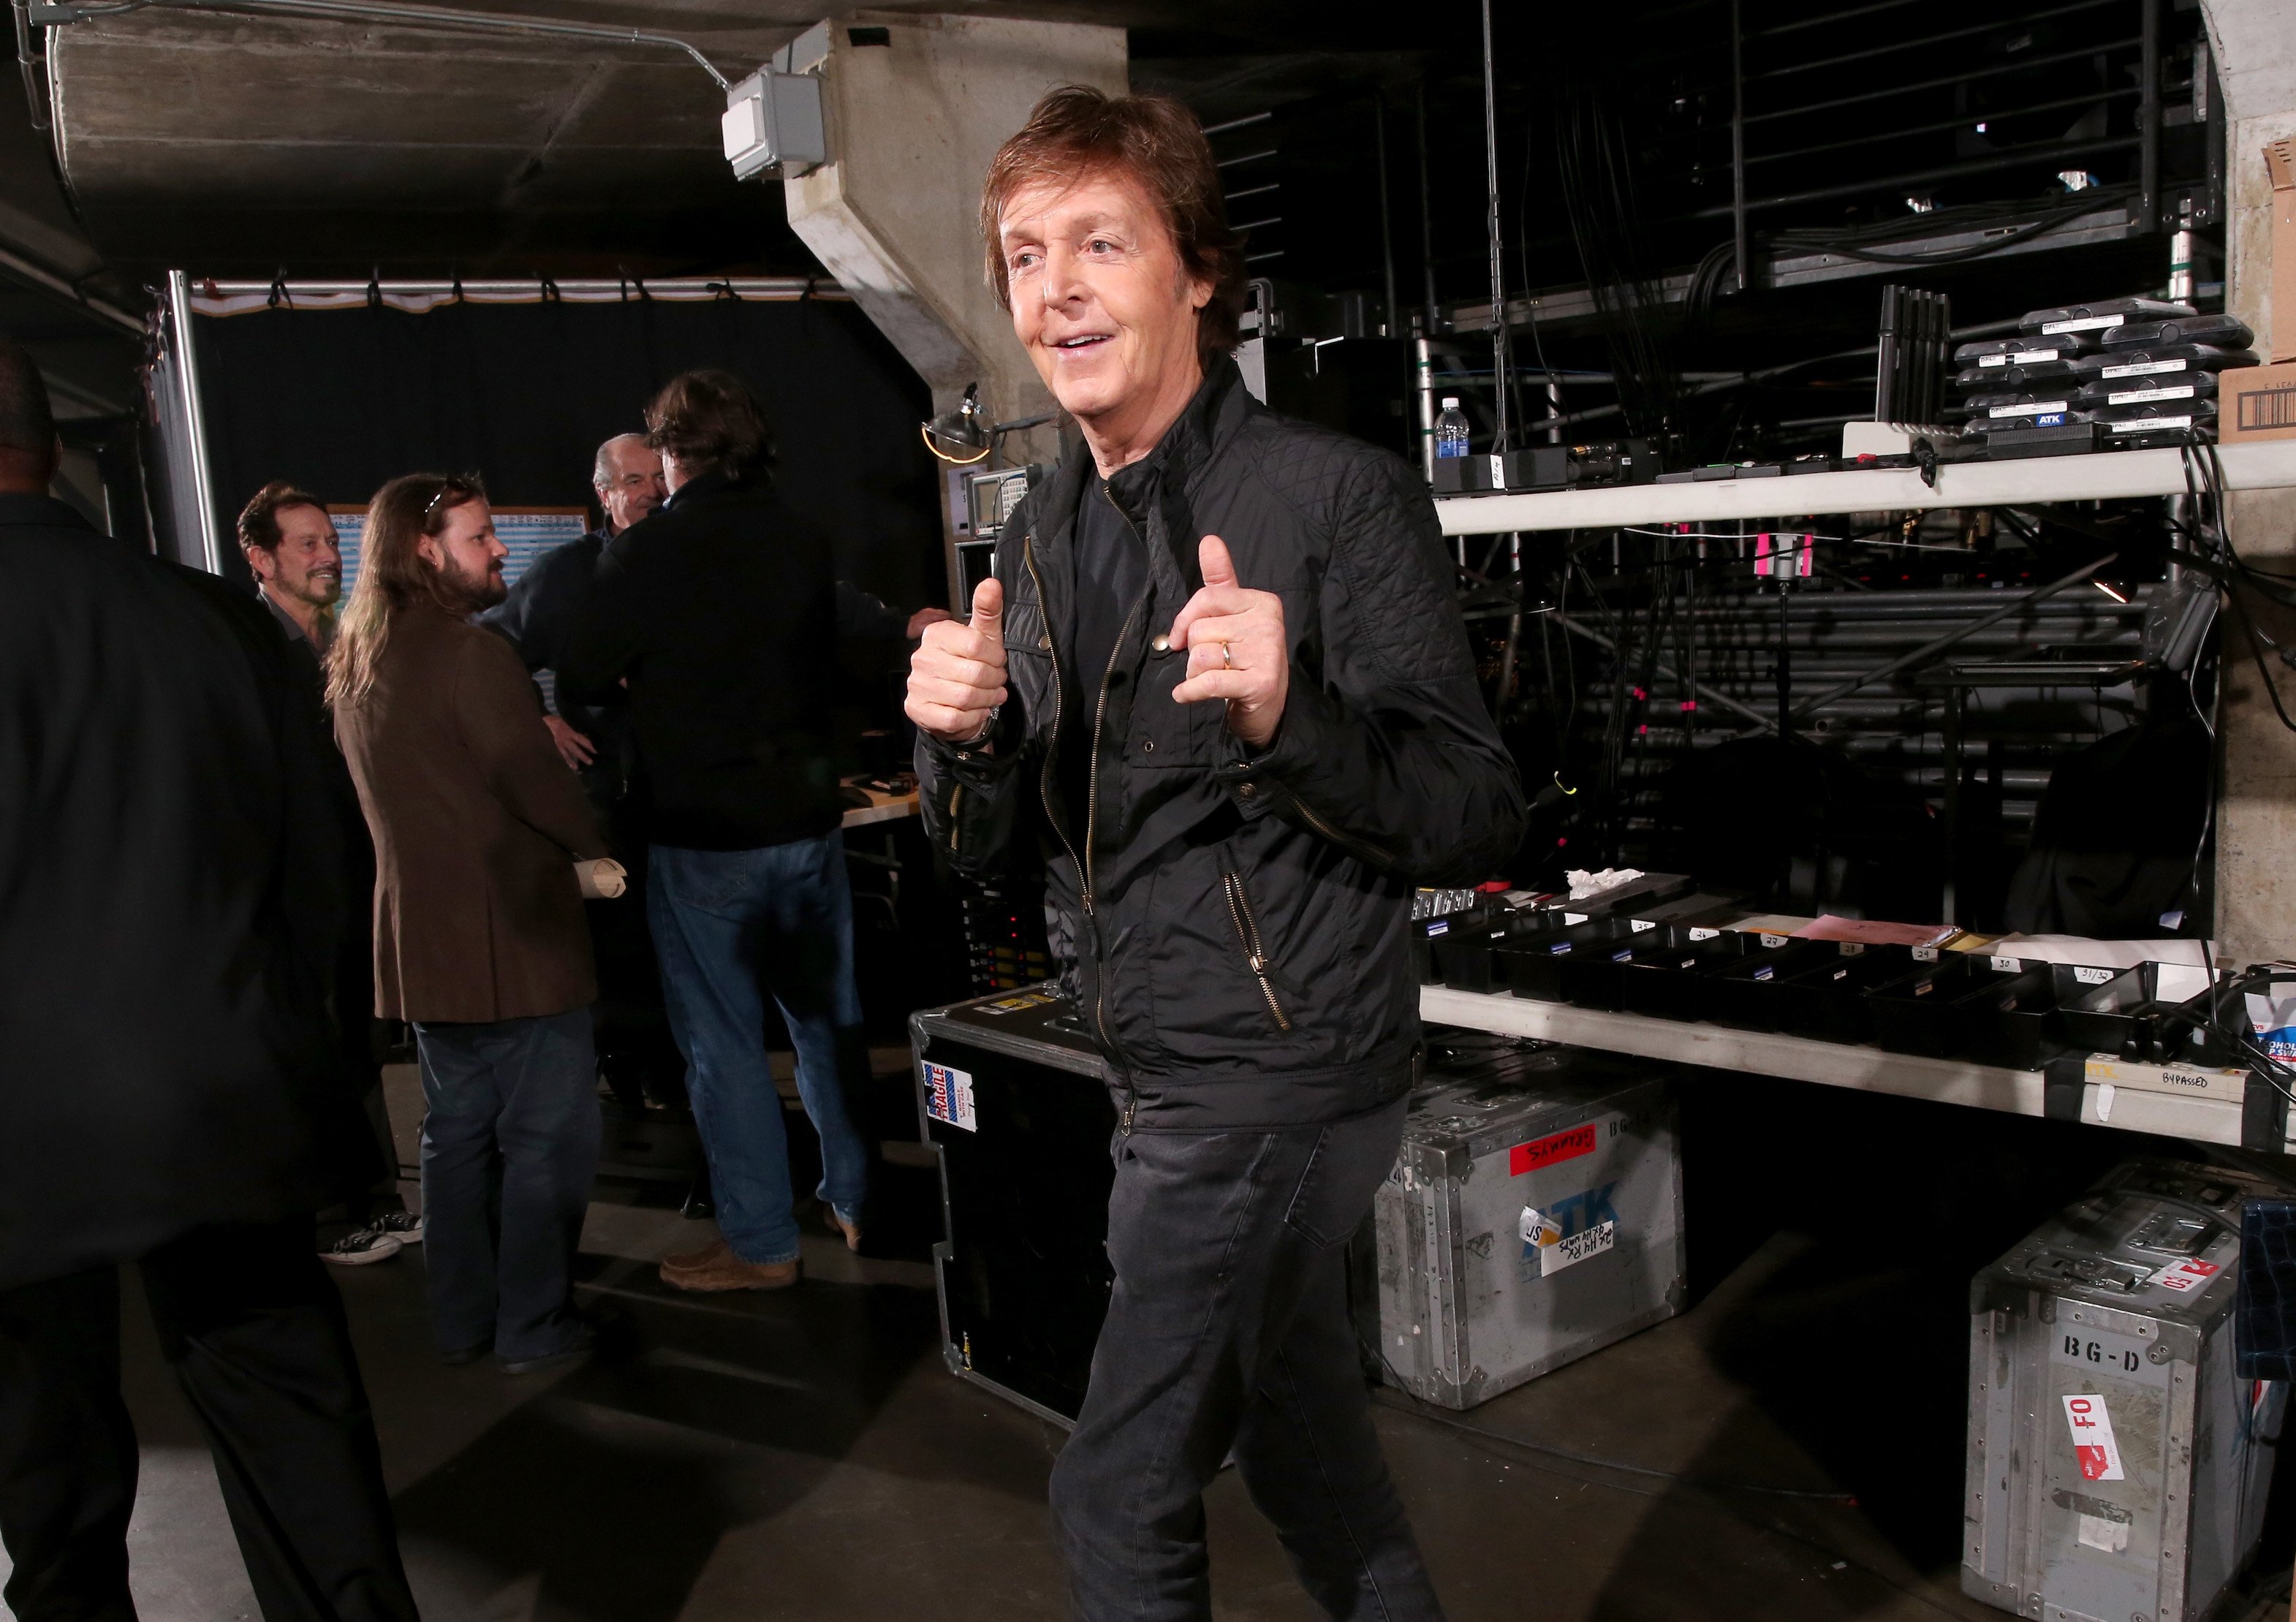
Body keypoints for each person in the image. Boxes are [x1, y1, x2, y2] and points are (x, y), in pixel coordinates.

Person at [906, 88, 1525, 1620]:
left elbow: (1466, 805)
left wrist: (1285, 711)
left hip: (1285, 1074)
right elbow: (990, 848)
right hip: (1153, 1062)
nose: (1054, 289)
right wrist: (963, 741)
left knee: (1115, 1486)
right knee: (1305, 1437)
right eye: (1025, 254)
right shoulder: (1043, 528)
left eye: (1100, 243)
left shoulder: (1333, 495)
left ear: (1193, 272)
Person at [0, 336, 421, 1621]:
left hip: (17, 1131)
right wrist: (323, 1077)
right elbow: (324, 868)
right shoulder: (211, 621)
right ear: (56, 451)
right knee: (296, 1424)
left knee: (44, 1466)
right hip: (224, 1097)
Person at [558, 371, 873, 1292]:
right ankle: (853, 1200)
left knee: (725, 1045)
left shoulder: (648, 551)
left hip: (706, 842)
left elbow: (580, 668)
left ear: (669, 449)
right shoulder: (803, 538)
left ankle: (762, 1243)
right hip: (809, 829)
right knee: (827, 1027)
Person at [329, 473, 609, 1373]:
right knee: (545, 1145)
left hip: (423, 944)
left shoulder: (358, 653)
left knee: (454, 1139)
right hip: (516, 940)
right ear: (424, 545)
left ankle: (463, 1320)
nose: (499, 552)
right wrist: (595, 849)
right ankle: (532, 1324)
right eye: (482, 536)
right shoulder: (470, 654)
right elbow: (532, 782)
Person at [239, 480, 420, 1267]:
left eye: (330, 540)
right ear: (261, 556)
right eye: (306, 543)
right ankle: (335, 1213)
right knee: (314, 1049)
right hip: (293, 890)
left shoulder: (349, 638)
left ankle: (375, 1201)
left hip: (357, 877)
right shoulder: (247, 647)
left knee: (357, 1041)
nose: (327, 555)